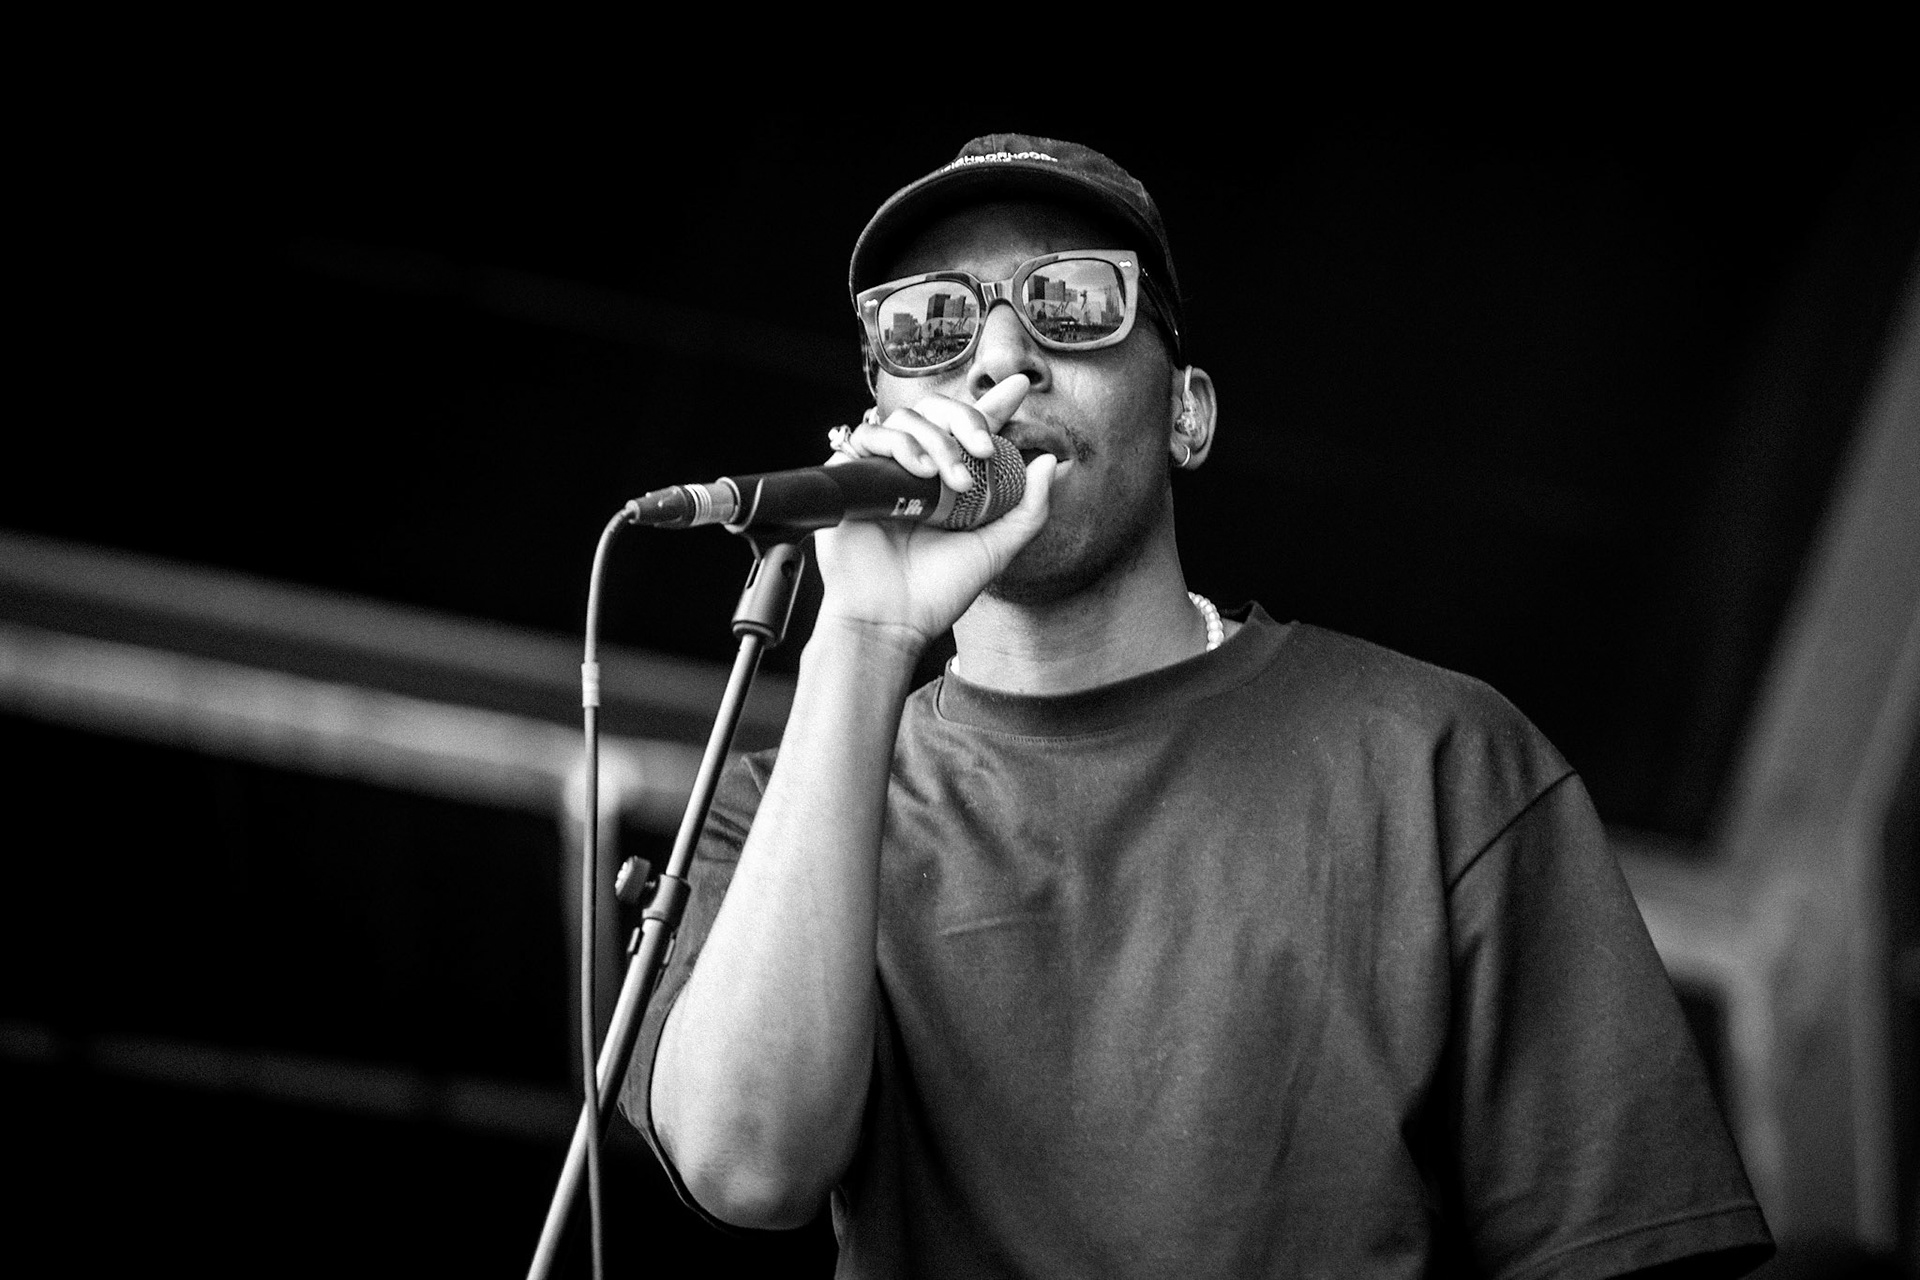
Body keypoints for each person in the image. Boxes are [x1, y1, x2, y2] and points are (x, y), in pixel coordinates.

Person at [621, 133, 1775, 1278]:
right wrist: (863, 637)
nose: (1002, 356)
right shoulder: (776, 810)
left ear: (1188, 413)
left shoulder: (1439, 760)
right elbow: (749, 1165)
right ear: (870, 414)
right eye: (931, 323)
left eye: (1072, 303)